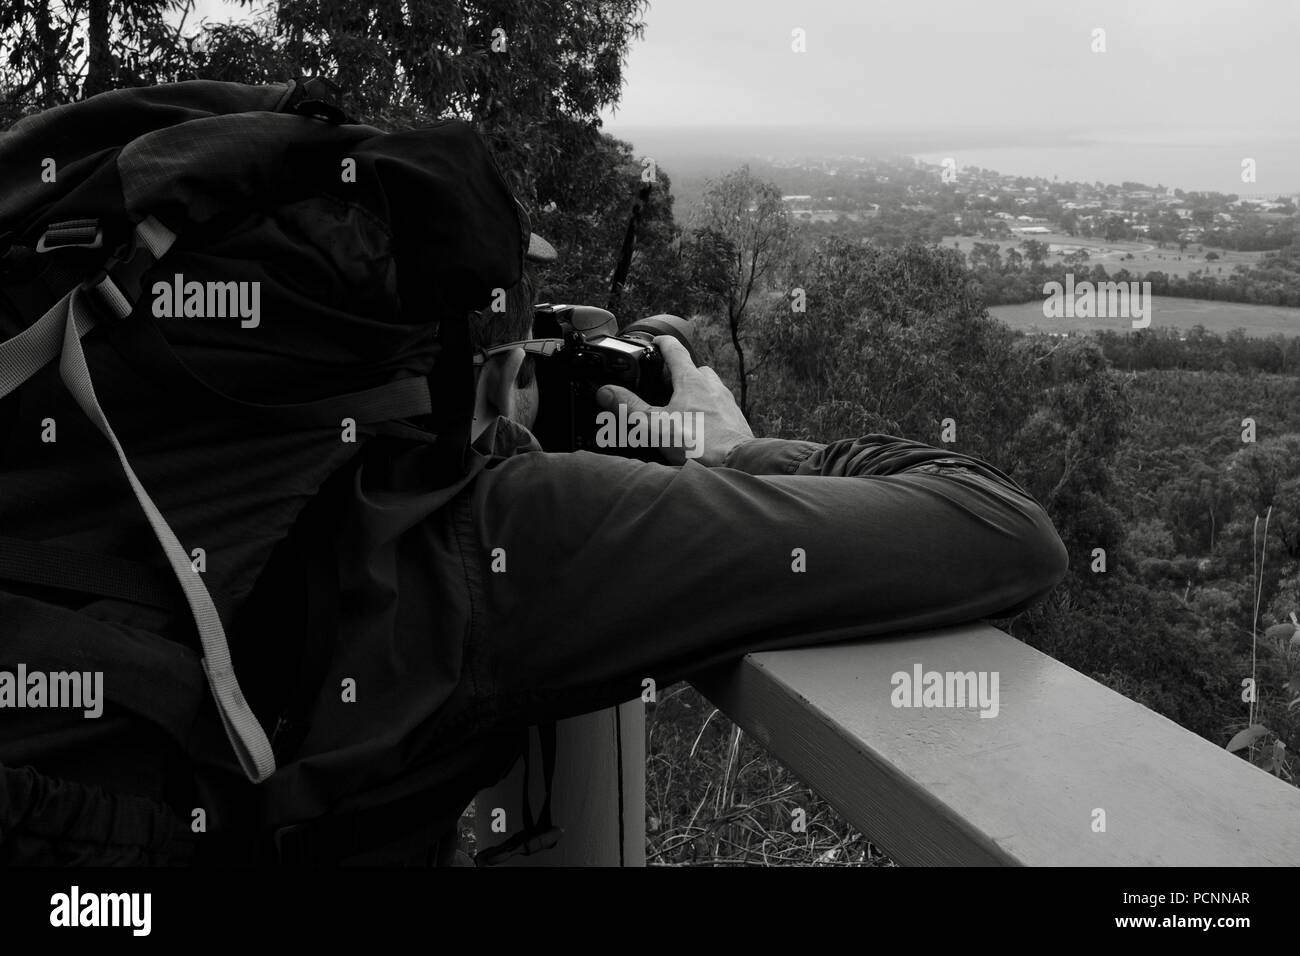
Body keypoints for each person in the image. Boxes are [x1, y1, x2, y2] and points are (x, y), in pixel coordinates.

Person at [450, 247, 1069, 743]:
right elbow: (1013, 532)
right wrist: (732, 450)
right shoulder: (522, 528)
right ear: (502, 379)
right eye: (532, 360)